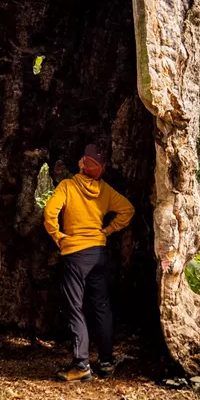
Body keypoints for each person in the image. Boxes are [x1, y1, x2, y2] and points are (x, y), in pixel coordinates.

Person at [43, 143, 134, 382]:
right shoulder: (105, 191)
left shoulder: (68, 186)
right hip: (99, 253)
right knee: (102, 307)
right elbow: (127, 210)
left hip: (75, 255)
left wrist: (58, 236)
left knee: (75, 307)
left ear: (83, 164)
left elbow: (49, 212)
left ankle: (82, 365)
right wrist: (108, 230)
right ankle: (106, 363)